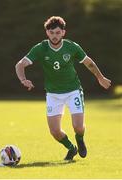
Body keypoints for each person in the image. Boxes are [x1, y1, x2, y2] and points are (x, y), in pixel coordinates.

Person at [15, 16, 111, 161]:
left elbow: (88, 62)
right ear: (47, 33)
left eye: (58, 33)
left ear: (63, 33)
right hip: (53, 94)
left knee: (78, 127)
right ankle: (71, 148)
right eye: (52, 33)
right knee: (54, 131)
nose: (55, 36)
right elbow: (20, 64)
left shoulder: (72, 46)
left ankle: (80, 139)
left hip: (73, 91)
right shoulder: (41, 48)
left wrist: (100, 77)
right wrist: (23, 79)